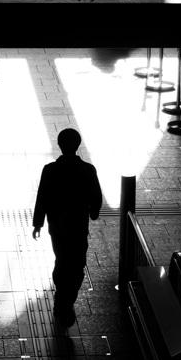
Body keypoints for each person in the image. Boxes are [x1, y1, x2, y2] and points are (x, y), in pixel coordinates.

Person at [32, 128, 103, 327]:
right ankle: (67, 300)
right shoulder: (88, 170)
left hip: (57, 227)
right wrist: (94, 211)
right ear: (78, 145)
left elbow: (42, 198)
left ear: (60, 145)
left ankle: (61, 294)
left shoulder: (50, 170)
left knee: (61, 259)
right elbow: (96, 196)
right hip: (78, 227)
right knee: (78, 263)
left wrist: (38, 223)